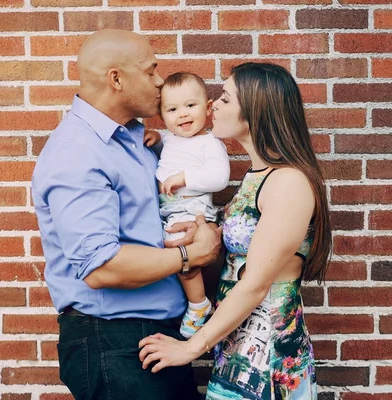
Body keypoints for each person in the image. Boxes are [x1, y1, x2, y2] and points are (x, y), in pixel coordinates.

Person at [31, 29, 222, 400]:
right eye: (150, 71)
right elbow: (102, 267)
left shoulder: (135, 139)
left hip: (151, 338)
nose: (160, 81)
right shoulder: (78, 152)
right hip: (114, 343)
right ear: (116, 79)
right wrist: (191, 255)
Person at [139, 62, 332, 400]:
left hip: (268, 358)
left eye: (225, 99)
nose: (213, 106)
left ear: (254, 113)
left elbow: (256, 285)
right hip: (235, 346)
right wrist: (205, 233)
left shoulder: (287, 182)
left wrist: (189, 348)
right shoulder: (257, 177)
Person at [143, 72, 230, 339]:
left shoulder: (210, 143)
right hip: (169, 210)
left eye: (190, 106)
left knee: (184, 256)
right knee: (168, 253)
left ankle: (199, 305)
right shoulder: (170, 140)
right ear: (162, 116)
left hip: (192, 209)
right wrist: (156, 142)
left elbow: (219, 178)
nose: (182, 114)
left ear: (207, 107)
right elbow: (168, 160)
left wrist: (185, 178)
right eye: (172, 109)